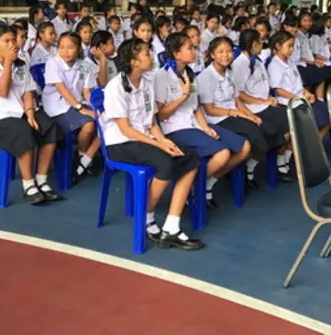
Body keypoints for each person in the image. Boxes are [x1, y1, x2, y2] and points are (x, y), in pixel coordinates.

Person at [101, 38, 203, 250]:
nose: (151, 55)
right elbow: (126, 129)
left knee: (190, 158)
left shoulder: (147, 83)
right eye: (146, 53)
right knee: (165, 162)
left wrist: (164, 140)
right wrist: (159, 145)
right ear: (134, 62)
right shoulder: (116, 87)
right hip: (122, 143)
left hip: (144, 137)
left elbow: (152, 121)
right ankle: (146, 216)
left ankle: (171, 226)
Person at [156, 32, 250, 207]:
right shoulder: (162, 76)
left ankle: (206, 182)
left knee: (244, 147)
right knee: (223, 153)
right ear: (176, 54)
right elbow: (160, 114)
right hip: (174, 128)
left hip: (194, 124)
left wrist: (205, 127)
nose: (195, 51)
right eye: (190, 48)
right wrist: (182, 96)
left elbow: (197, 106)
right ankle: (191, 186)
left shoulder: (189, 74)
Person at [0, 25, 65, 204]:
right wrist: (8, 63)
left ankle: (42, 180)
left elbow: (27, 92)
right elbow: (2, 91)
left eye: (13, 40)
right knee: (23, 132)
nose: (13, 44)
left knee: (49, 127)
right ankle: (28, 185)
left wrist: (31, 113)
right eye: (7, 41)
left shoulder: (21, 64)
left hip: (22, 111)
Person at [199, 37, 271, 189]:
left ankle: (243, 170)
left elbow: (236, 99)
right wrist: (236, 113)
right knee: (254, 139)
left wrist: (250, 114)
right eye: (221, 52)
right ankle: (210, 181)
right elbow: (210, 109)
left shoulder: (230, 72)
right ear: (212, 55)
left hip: (233, 114)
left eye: (229, 51)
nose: (226, 55)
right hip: (218, 119)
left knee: (265, 129)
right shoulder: (205, 77)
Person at [232, 29, 293, 180]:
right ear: (253, 44)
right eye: (260, 41)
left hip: (265, 104)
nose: (262, 44)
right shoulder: (239, 64)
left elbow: (264, 84)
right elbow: (239, 94)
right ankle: (251, 166)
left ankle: (276, 161)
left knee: (291, 121)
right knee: (272, 131)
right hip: (253, 107)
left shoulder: (257, 60)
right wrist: (263, 101)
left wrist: (269, 99)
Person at [42, 32, 101, 180]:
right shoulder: (53, 63)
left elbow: (86, 91)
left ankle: (84, 159)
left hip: (78, 103)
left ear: (78, 48)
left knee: (105, 120)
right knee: (89, 125)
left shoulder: (85, 65)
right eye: (61, 47)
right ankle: (81, 157)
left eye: (70, 47)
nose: (65, 51)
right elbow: (61, 89)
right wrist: (80, 108)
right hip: (58, 105)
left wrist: (93, 107)